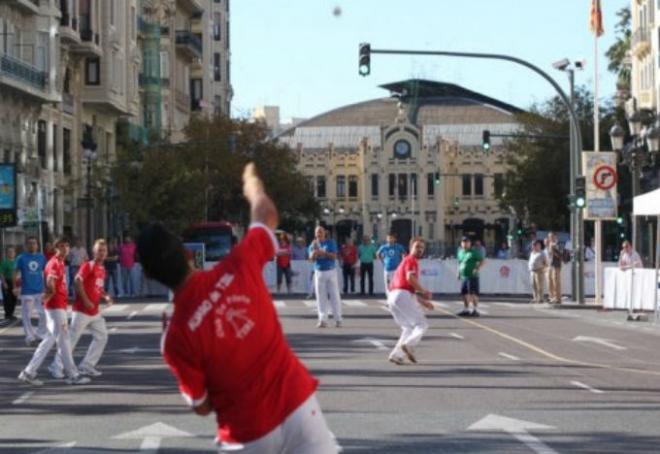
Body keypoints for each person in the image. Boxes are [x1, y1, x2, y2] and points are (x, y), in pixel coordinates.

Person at [137, 163, 336, 453]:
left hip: (247, 432)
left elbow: (202, 405)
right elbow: (266, 215)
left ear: (149, 276)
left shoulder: (176, 337)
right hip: (297, 406)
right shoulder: (238, 265)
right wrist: (252, 186)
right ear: (188, 253)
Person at [18, 237, 91, 386]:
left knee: (48, 341)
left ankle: (28, 372)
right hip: (55, 308)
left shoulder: (60, 262)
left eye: (67, 245)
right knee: (64, 341)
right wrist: (49, 295)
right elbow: (51, 283)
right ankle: (73, 375)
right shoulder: (54, 263)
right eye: (62, 246)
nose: (65, 249)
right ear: (56, 248)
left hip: (58, 307)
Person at [49, 239, 113, 378]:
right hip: (81, 311)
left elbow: (99, 288)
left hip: (94, 312)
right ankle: (56, 366)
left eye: (104, 251)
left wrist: (106, 296)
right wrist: (86, 300)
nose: (102, 253)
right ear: (94, 252)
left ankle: (86, 366)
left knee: (102, 337)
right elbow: (78, 281)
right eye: (99, 250)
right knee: (70, 340)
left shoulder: (102, 269)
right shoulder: (88, 265)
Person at [387, 237, 434, 365]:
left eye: (422, 248)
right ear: (410, 248)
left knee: (408, 327)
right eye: (417, 247)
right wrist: (424, 291)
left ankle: (397, 355)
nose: (420, 250)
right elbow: (409, 278)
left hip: (393, 297)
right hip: (401, 294)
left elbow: (410, 291)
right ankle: (409, 346)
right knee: (421, 324)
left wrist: (424, 302)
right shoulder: (411, 260)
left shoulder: (406, 260)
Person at [15, 237, 47, 345]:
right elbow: (16, 272)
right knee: (26, 315)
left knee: (43, 314)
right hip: (26, 291)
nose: (32, 245)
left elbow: (46, 272)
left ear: (37, 245)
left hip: (39, 290)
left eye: (34, 243)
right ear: (26, 245)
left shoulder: (42, 257)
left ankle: (40, 334)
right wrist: (15, 287)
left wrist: (47, 287)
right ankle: (30, 337)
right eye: (30, 243)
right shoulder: (21, 258)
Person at [309, 226, 342, 328]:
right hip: (319, 272)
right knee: (320, 297)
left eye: (321, 232)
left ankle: (338, 319)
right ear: (315, 234)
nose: (319, 234)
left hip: (330, 271)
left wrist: (323, 253)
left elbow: (334, 256)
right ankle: (322, 319)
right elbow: (311, 260)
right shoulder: (313, 244)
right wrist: (314, 253)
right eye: (317, 232)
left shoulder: (330, 242)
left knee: (334, 296)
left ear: (324, 233)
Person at [457, 237, 484, 317]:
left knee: (473, 293)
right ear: (461, 243)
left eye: (467, 242)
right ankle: (466, 309)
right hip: (464, 276)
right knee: (464, 293)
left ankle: (475, 309)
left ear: (470, 244)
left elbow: (482, 261)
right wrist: (458, 272)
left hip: (472, 276)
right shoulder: (460, 252)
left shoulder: (474, 252)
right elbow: (460, 263)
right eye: (463, 242)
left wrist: (477, 268)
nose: (465, 244)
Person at [1, 246, 17, 321]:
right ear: (7, 253)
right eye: (9, 252)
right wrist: (4, 283)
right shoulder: (4, 263)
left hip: (15, 282)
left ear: (15, 253)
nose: (11, 253)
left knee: (14, 298)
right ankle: (8, 314)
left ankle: (11, 314)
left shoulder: (17, 262)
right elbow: (1, 273)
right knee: (8, 299)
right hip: (7, 282)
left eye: (12, 252)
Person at [546, 232, 562, 304]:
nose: (550, 238)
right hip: (550, 265)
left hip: (556, 265)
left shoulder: (557, 244)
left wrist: (553, 251)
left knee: (556, 282)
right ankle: (551, 297)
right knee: (549, 281)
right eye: (549, 237)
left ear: (555, 237)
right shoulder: (549, 245)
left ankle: (557, 298)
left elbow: (560, 255)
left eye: (552, 236)